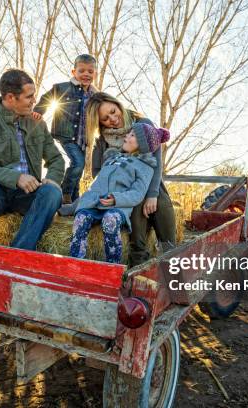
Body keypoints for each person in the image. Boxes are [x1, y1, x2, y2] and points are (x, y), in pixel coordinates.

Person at [0, 69, 64, 250]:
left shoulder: (37, 123)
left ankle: (18, 253)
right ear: (10, 98)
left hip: (26, 196)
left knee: (52, 192)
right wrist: (15, 178)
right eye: (29, 97)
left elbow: (56, 159)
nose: (34, 101)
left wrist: (52, 179)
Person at [85, 92, 176, 267]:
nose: (113, 118)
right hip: (123, 191)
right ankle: (137, 269)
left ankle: (172, 263)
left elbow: (156, 163)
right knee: (135, 219)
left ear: (117, 105)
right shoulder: (102, 141)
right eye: (105, 118)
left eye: (113, 111)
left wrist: (152, 195)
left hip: (150, 184)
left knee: (163, 210)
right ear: (99, 123)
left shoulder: (143, 125)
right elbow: (96, 172)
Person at [70, 123, 170, 263]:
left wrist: (116, 199)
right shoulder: (111, 159)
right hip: (96, 204)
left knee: (110, 220)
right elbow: (95, 186)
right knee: (80, 218)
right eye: (128, 133)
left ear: (142, 144)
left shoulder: (145, 167)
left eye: (132, 135)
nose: (126, 137)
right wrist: (73, 206)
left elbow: (137, 194)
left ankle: (112, 266)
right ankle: (75, 262)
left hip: (117, 208)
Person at [32, 54, 98, 204]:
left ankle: (74, 200)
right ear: (73, 72)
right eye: (81, 71)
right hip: (66, 134)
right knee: (78, 162)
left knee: (78, 168)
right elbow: (47, 98)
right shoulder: (62, 87)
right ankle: (65, 192)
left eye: (90, 71)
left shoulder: (95, 95)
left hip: (83, 138)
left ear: (95, 73)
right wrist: (39, 111)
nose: (86, 74)